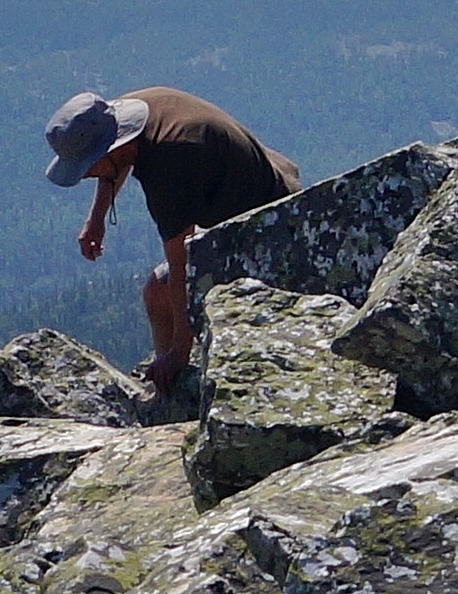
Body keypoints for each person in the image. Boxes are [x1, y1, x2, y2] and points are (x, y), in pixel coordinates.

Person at [45, 85, 298, 391]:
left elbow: (181, 269)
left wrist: (179, 351)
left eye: (87, 167)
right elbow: (119, 161)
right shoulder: (131, 110)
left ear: (109, 149)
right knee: (160, 290)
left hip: (269, 227)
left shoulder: (170, 162)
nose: (86, 175)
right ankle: (171, 374)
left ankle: (176, 385)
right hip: (269, 182)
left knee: (159, 290)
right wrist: (96, 218)